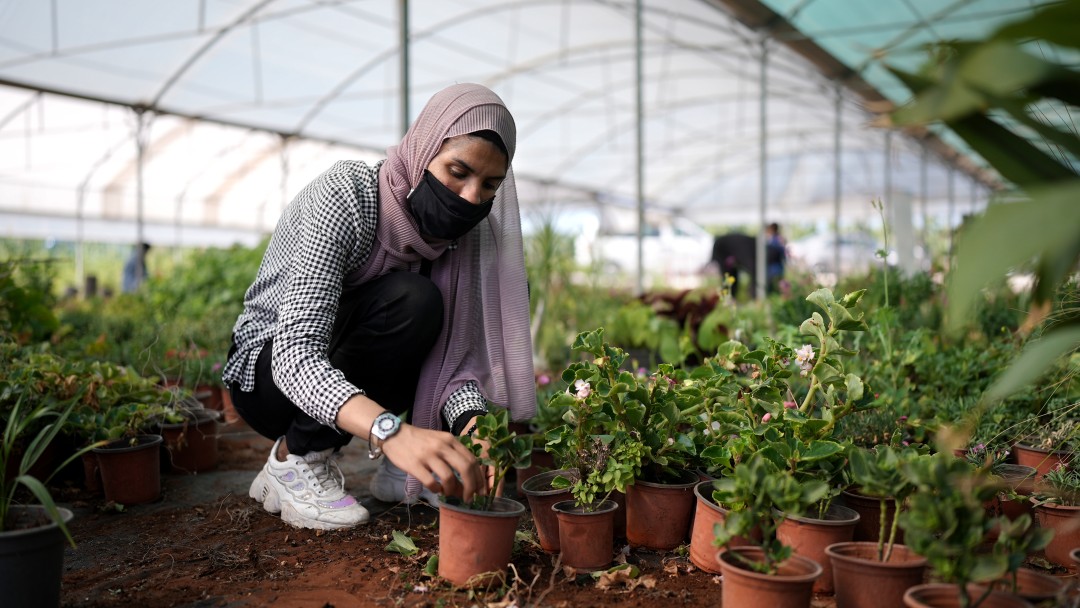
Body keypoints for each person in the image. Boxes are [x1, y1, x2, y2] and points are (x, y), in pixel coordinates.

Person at [221, 83, 536, 530]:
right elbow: (295, 356)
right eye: (457, 171)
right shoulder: (348, 197)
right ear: (425, 148)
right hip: (269, 380)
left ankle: (410, 472)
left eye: (489, 185)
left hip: (347, 378)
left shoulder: (466, 240)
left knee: (426, 308)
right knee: (412, 298)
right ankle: (294, 460)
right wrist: (392, 433)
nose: (470, 198)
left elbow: (455, 359)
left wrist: (474, 426)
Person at [765, 222, 787, 294]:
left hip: (773, 269)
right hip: (778, 268)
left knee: (774, 288)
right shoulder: (779, 239)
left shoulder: (774, 241)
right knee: (779, 287)